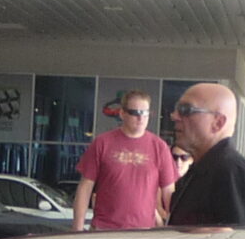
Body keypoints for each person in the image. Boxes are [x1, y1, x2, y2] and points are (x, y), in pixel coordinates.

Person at [71, 89, 178, 230]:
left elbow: (169, 193)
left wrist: (174, 228)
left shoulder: (160, 147)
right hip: (104, 230)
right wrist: (77, 227)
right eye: (135, 113)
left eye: (145, 113)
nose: (141, 118)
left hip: (144, 232)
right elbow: (85, 187)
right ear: (122, 114)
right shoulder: (102, 143)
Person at [166, 83, 245, 227]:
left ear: (218, 123)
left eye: (185, 110)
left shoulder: (230, 171)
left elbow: (241, 238)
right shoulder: (204, 168)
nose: (174, 116)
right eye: (176, 109)